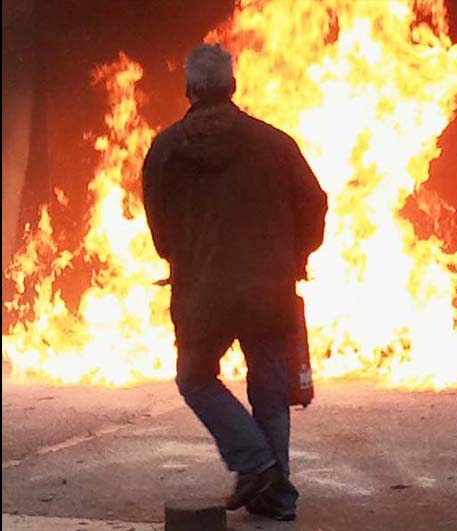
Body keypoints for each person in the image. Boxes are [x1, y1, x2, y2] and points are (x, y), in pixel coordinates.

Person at [142, 43, 327, 518]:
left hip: (205, 293)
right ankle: (276, 495)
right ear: (233, 87)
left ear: (189, 91)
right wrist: (296, 255)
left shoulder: (165, 150)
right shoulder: (275, 143)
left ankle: (256, 464)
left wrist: (181, 259)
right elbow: (315, 203)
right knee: (269, 390)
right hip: (270, 288)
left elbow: (158, 224)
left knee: (195, 378)